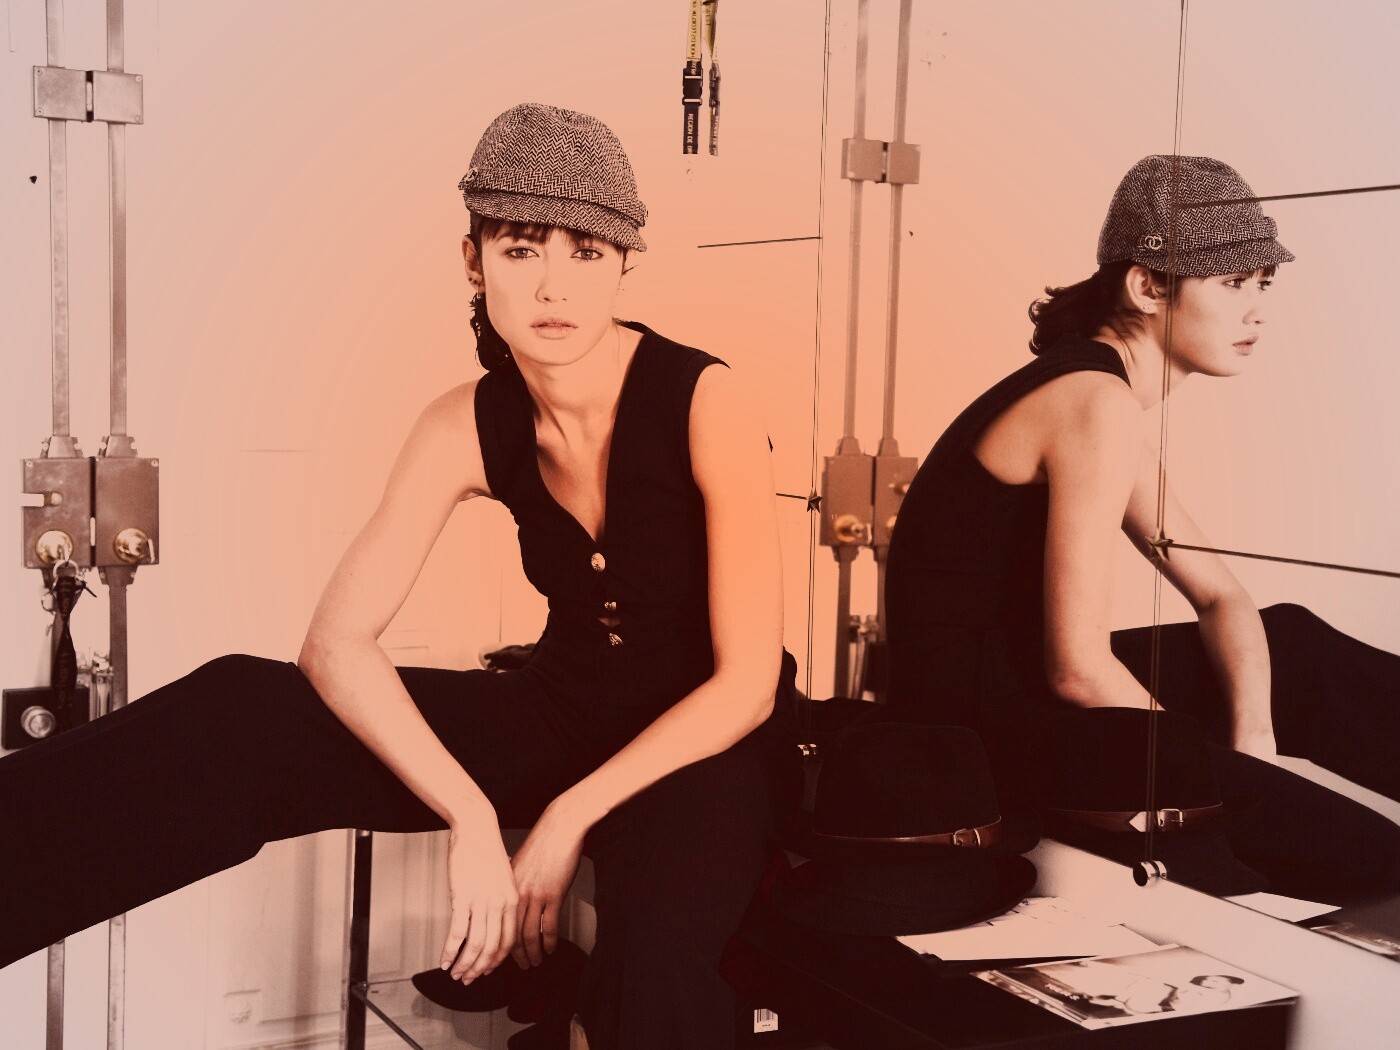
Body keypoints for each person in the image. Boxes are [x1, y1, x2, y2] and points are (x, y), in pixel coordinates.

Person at [0, 102, 799, 1050]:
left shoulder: (705, 400)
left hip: (707, 745)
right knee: (244, 710)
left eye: (585, 253)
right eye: (521, 250)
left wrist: (561, 822)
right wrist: (470, 815)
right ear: (474, 262)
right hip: (559, 714)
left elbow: (746, 685)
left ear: (625, 262)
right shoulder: (464, 421)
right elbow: (335, 644)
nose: (554, 286)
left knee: (657, 967)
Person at [883, 154, 1400, 902]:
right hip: (975, 737)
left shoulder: (1095, 389)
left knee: (1292, 646)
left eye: (1263, 283)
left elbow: (1223, 597)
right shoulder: (1094, 401)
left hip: (1016, 693)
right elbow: (1076, 669)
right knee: (1382, 860)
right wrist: (1210, 772)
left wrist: (1255, 738)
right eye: (1232, 282)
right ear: (1147, 286)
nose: (1257, 310)